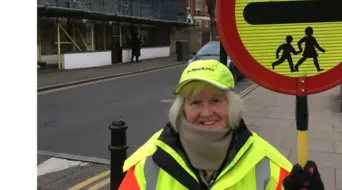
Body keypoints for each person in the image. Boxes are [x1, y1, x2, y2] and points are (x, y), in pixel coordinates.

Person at [118, 59, 324, 190]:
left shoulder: (267, 163)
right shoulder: (147, 163)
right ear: (182, 110)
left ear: (231, 105)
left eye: (216, 100)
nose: (206, 112)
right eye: (195, 102)